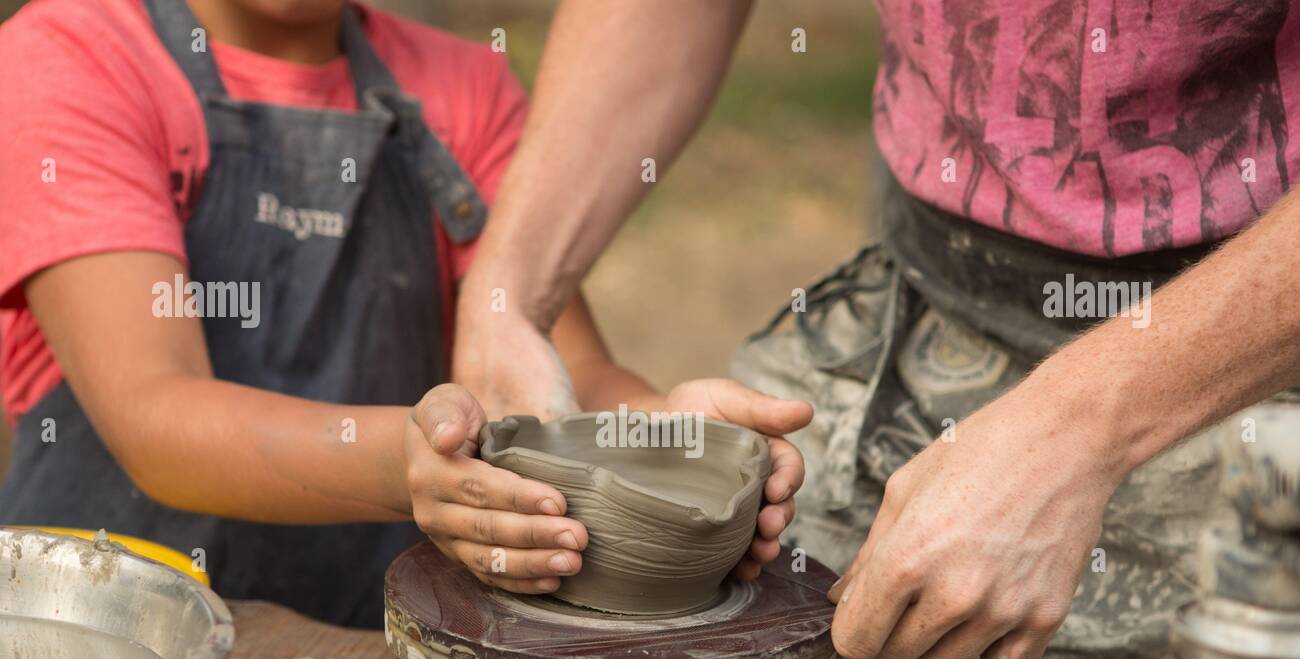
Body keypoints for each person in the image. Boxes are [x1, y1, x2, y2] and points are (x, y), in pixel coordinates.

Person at [451, 0, 1300, 659]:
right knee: (765, 633)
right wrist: (510, 300)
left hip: (1256, 350)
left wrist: (1075, 431)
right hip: (930, 292)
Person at [0, 0, 811, 626]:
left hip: (375, 654)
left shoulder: (463, 85)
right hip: (101, 657)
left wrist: (663, 439)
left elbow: (566, 375)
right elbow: (153, 418)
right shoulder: (69, 57)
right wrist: (404, 465)